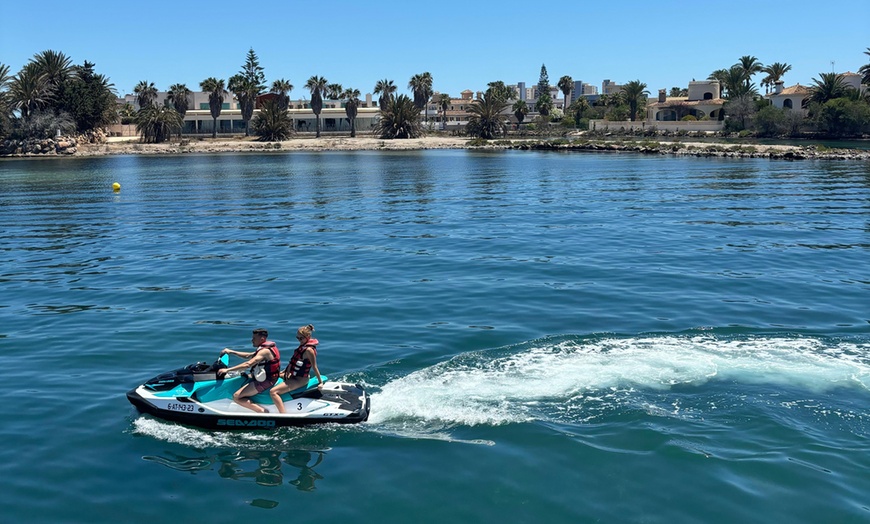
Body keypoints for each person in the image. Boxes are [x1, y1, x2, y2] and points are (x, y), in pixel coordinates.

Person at [217, 328, 281, 413]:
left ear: (262, 339)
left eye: (254, 338)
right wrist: (231, 351)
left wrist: (228, 370)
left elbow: (248, 364)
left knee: (236, 396)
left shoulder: (265, 351)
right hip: (265, 377)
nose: (252, 340)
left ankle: (261, 411)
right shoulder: (264, 349)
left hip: (266, 381)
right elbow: (248, 356)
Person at [269, 324, 323, 414]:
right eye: (297, 338)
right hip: (293, 375)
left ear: (308, 337)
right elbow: (292, 363)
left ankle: (283, 415)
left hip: (300, 379)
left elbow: (314, 367)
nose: (299, 340)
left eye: (301, 338)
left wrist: (320, 382)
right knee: (271, 376)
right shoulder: (301, 347)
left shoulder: (309, 350)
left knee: (273, 392)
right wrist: (282, 372)